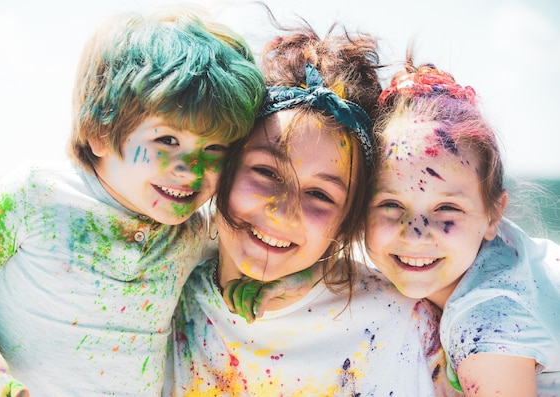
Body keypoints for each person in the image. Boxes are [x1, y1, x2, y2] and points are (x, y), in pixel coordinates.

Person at [0, 7, 265, 397]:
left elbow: (249, 266)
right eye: (167, 141)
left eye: (215, 148)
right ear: (100, 131)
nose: (192, 171)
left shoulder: (197, 231)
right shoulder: (37, 194)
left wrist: (260, 283)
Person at [163, 21, 457, 396]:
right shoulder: (167, 286)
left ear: (350, 218)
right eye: (267, 171)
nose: (282, 212)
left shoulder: (401, 323)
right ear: (226, 166)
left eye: (320, 194)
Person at [365, 59, 560, 396]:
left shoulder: (487, 327)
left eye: (446, 209)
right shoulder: (510, 251)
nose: (415, 233)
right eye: (392, 205)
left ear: (493, 214)